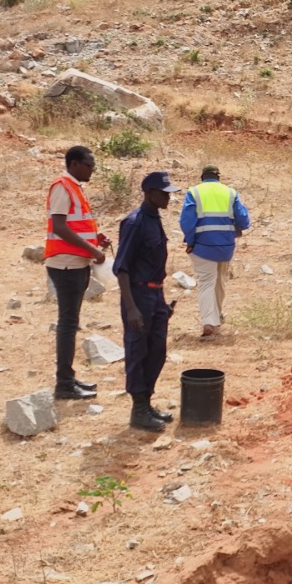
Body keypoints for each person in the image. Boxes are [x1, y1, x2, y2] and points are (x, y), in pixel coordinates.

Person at [115, 171, 180, 431]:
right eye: (164, 193)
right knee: (137, 351)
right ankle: (138, 409)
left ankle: (146, 402)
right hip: (138, 295)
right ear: (149, 193)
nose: (168, 198)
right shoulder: (135, 222)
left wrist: (161, 303)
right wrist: (131, 307)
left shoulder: (155, 219)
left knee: (157, 351)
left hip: (155, 293)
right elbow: (122, 268)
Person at [45, 145, 110, 401]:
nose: (92, 170)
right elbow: (60, 227)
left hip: (76, 263)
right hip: (66, 264)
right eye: (88, 165)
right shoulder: (62, 186)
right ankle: (64, 384)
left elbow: (74, 225)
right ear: (73, 164)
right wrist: (93, 250)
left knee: (71, 324)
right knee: (68, 324)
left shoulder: (74, 187)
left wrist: (95, 239)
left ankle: (69, 379)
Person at [179, 166, 251, 338]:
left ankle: (208, 323)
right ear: (218, 177)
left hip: (202, 245)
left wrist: (190, 241)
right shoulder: (230, 193)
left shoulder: (194, 192)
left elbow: (186, 221)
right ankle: (216, 316)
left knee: (206, 282)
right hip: (225, 246)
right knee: (220, 282)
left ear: (202, 177)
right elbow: (243, 220)